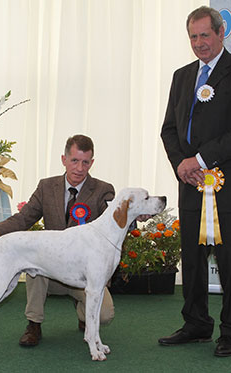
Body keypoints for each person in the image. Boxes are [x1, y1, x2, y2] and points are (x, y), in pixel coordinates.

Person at [0, 134, 115, 347]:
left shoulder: (103, 190)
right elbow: (22, 219)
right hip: (49, 270)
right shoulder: (46, 187)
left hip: (83, 271)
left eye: (85, 162)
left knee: (105, 315)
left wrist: (136, 217)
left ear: (92, 163)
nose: (80, 168)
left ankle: (85, 316)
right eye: (74, 161)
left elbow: (114, 226)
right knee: (34, 257)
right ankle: (34, 324)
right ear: (64, 159)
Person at [160, 6, 231, 357]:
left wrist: (201, 159)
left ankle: (230, 332)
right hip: (189, 182)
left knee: (228, 258)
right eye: (193, 36)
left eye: (205, 35)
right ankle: (196, 323)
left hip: (225, 183)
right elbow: (168, 129)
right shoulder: (182, 75)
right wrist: (181, 165)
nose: (199, 43)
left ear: (221, 33)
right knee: (192, 256)